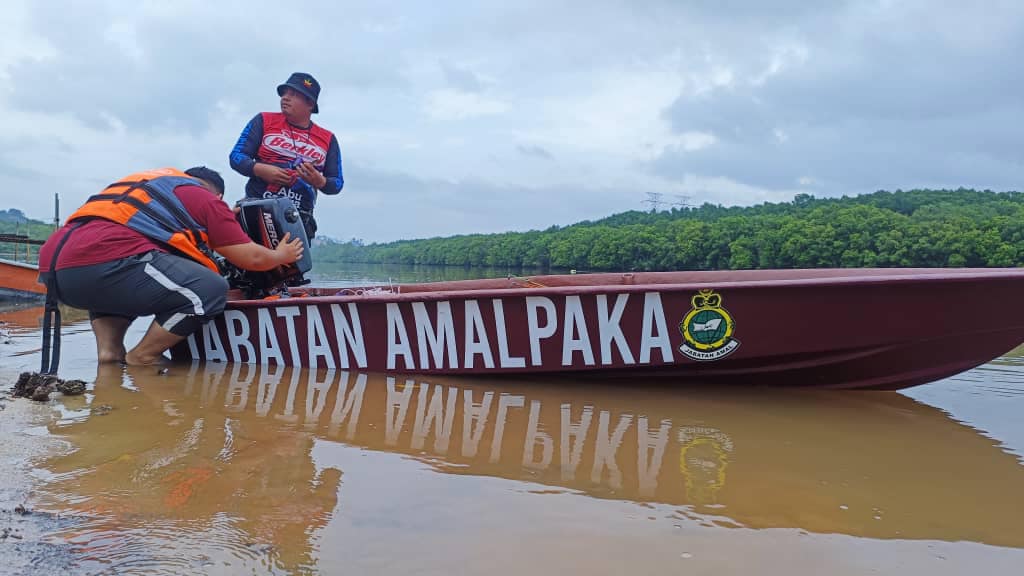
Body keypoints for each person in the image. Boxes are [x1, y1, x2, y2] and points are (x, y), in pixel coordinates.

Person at [37, 166, 304, 366]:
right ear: (218, 194)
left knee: (135, 281)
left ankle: (109, 354)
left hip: (55, 270)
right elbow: (252, 259)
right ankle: (144, 356)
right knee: (210, 289)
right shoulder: (207, 199)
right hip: (108, 261)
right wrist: (282, 255)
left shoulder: (153, 188)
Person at [229, 72, 344, 239]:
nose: (285, 98)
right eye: (284, 93)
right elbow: (236, 156)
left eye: (294, 94)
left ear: (310, 103)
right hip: (257, 208)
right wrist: (260, 169)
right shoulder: (263, 120)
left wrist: (319, 181)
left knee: (292, 257)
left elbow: (337, 183)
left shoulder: (328, 138)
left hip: (297, 218)